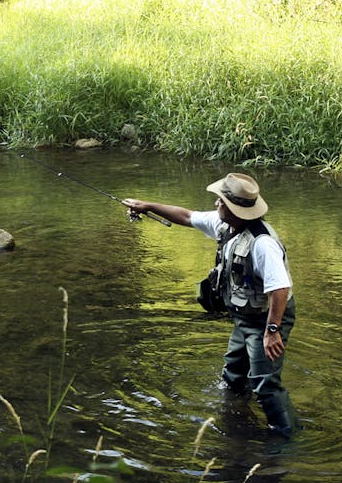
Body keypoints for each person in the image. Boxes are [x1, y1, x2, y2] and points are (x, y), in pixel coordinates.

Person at [123, 172, 300, 436]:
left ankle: (287, 438)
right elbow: (186, 216)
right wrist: (147, 206)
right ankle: (237, 413)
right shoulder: (226, 226)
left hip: (268, 319)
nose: (216, 204)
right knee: (233, 373)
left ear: (232, 208)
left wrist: (272, 331)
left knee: (265, 383)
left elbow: (280, 288)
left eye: (219, 201)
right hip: (245, 317)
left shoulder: (263, 243)